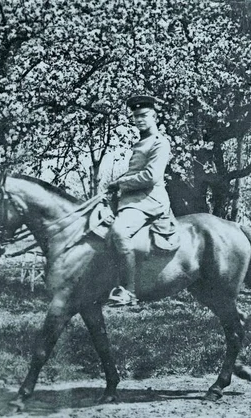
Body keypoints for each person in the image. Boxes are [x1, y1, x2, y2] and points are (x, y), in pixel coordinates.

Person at [106, 95, 172, 306]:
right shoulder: (140, 143)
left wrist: (120, 183)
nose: (139, 119)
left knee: (119, 230)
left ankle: (128, 291)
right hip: (132, 199)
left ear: (154, 117)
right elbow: (136, 171)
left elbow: (150, 176)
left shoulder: (160, 143)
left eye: (144, 115)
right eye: (135, 116)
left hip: (148, 199)